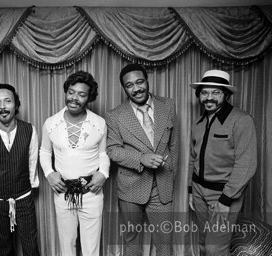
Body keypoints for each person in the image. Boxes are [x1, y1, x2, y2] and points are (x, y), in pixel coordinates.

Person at [105, 63, 178, 256]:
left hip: (161, 186)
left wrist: (170, 173)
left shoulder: (168, 105)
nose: (136, 88)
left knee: (164, 242)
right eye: (129, 85)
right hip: (130, 186)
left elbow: (174, 144)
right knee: (132, 241)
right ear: (124, 88)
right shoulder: (115, 115)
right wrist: (141, 158)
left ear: (147, 81)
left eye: (139, 82)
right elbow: (112, 149)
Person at [40, 70, 110, 256]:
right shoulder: (51, 123)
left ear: (89, 98)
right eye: (71, 92)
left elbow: (103, 153)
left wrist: (103, 173)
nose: (74, 98)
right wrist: (49, 173)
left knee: (91, 248)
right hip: (63, 192)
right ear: (66, 92)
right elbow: (45, 151)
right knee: (67, 245)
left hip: (91, 193)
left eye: (81, 94)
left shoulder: (99, 123)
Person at [188, 70, 257, 256]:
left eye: (215, 92)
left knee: (215, 249)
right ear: (199, 95)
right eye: (204, 93)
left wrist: (226, 199)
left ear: (225, 95)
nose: (209, 98)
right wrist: (190, 191)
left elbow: (246, 164)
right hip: (198, 191)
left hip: (224, 194)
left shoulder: (241, 120)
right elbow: (193, 158)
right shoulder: (198, 122)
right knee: (203, 242)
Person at [0, 83, 40, 256]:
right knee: (4, 247)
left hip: (24, 196)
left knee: (31, 246)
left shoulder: (29, 130)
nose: (2, 107)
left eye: (7, 101)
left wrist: (29, 186)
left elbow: (32, 162)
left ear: (16, 104)